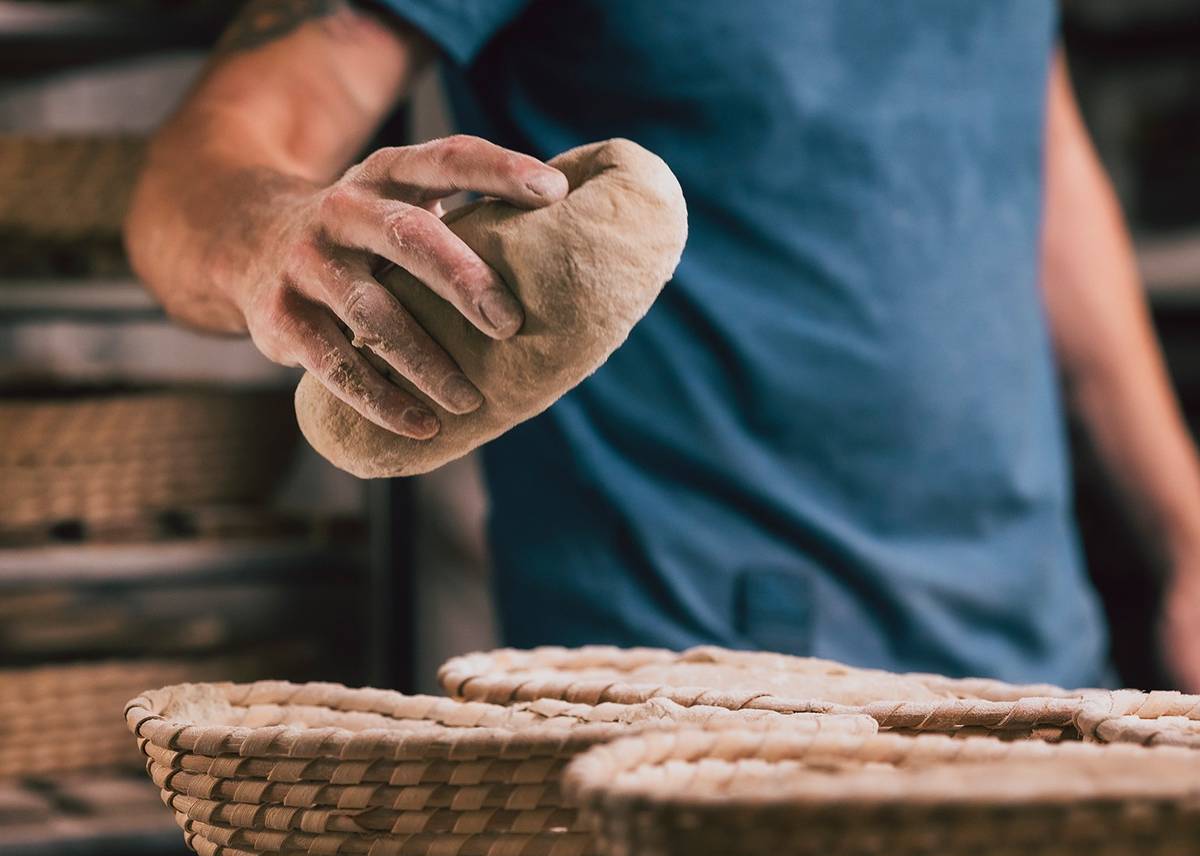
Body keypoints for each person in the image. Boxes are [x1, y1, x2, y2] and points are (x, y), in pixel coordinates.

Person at [125, 0, 1200, 690]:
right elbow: (212, 150)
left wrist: (1187, 534)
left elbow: (1036, 164)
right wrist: (270, 238)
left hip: (1031, 651)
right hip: (691, 680)